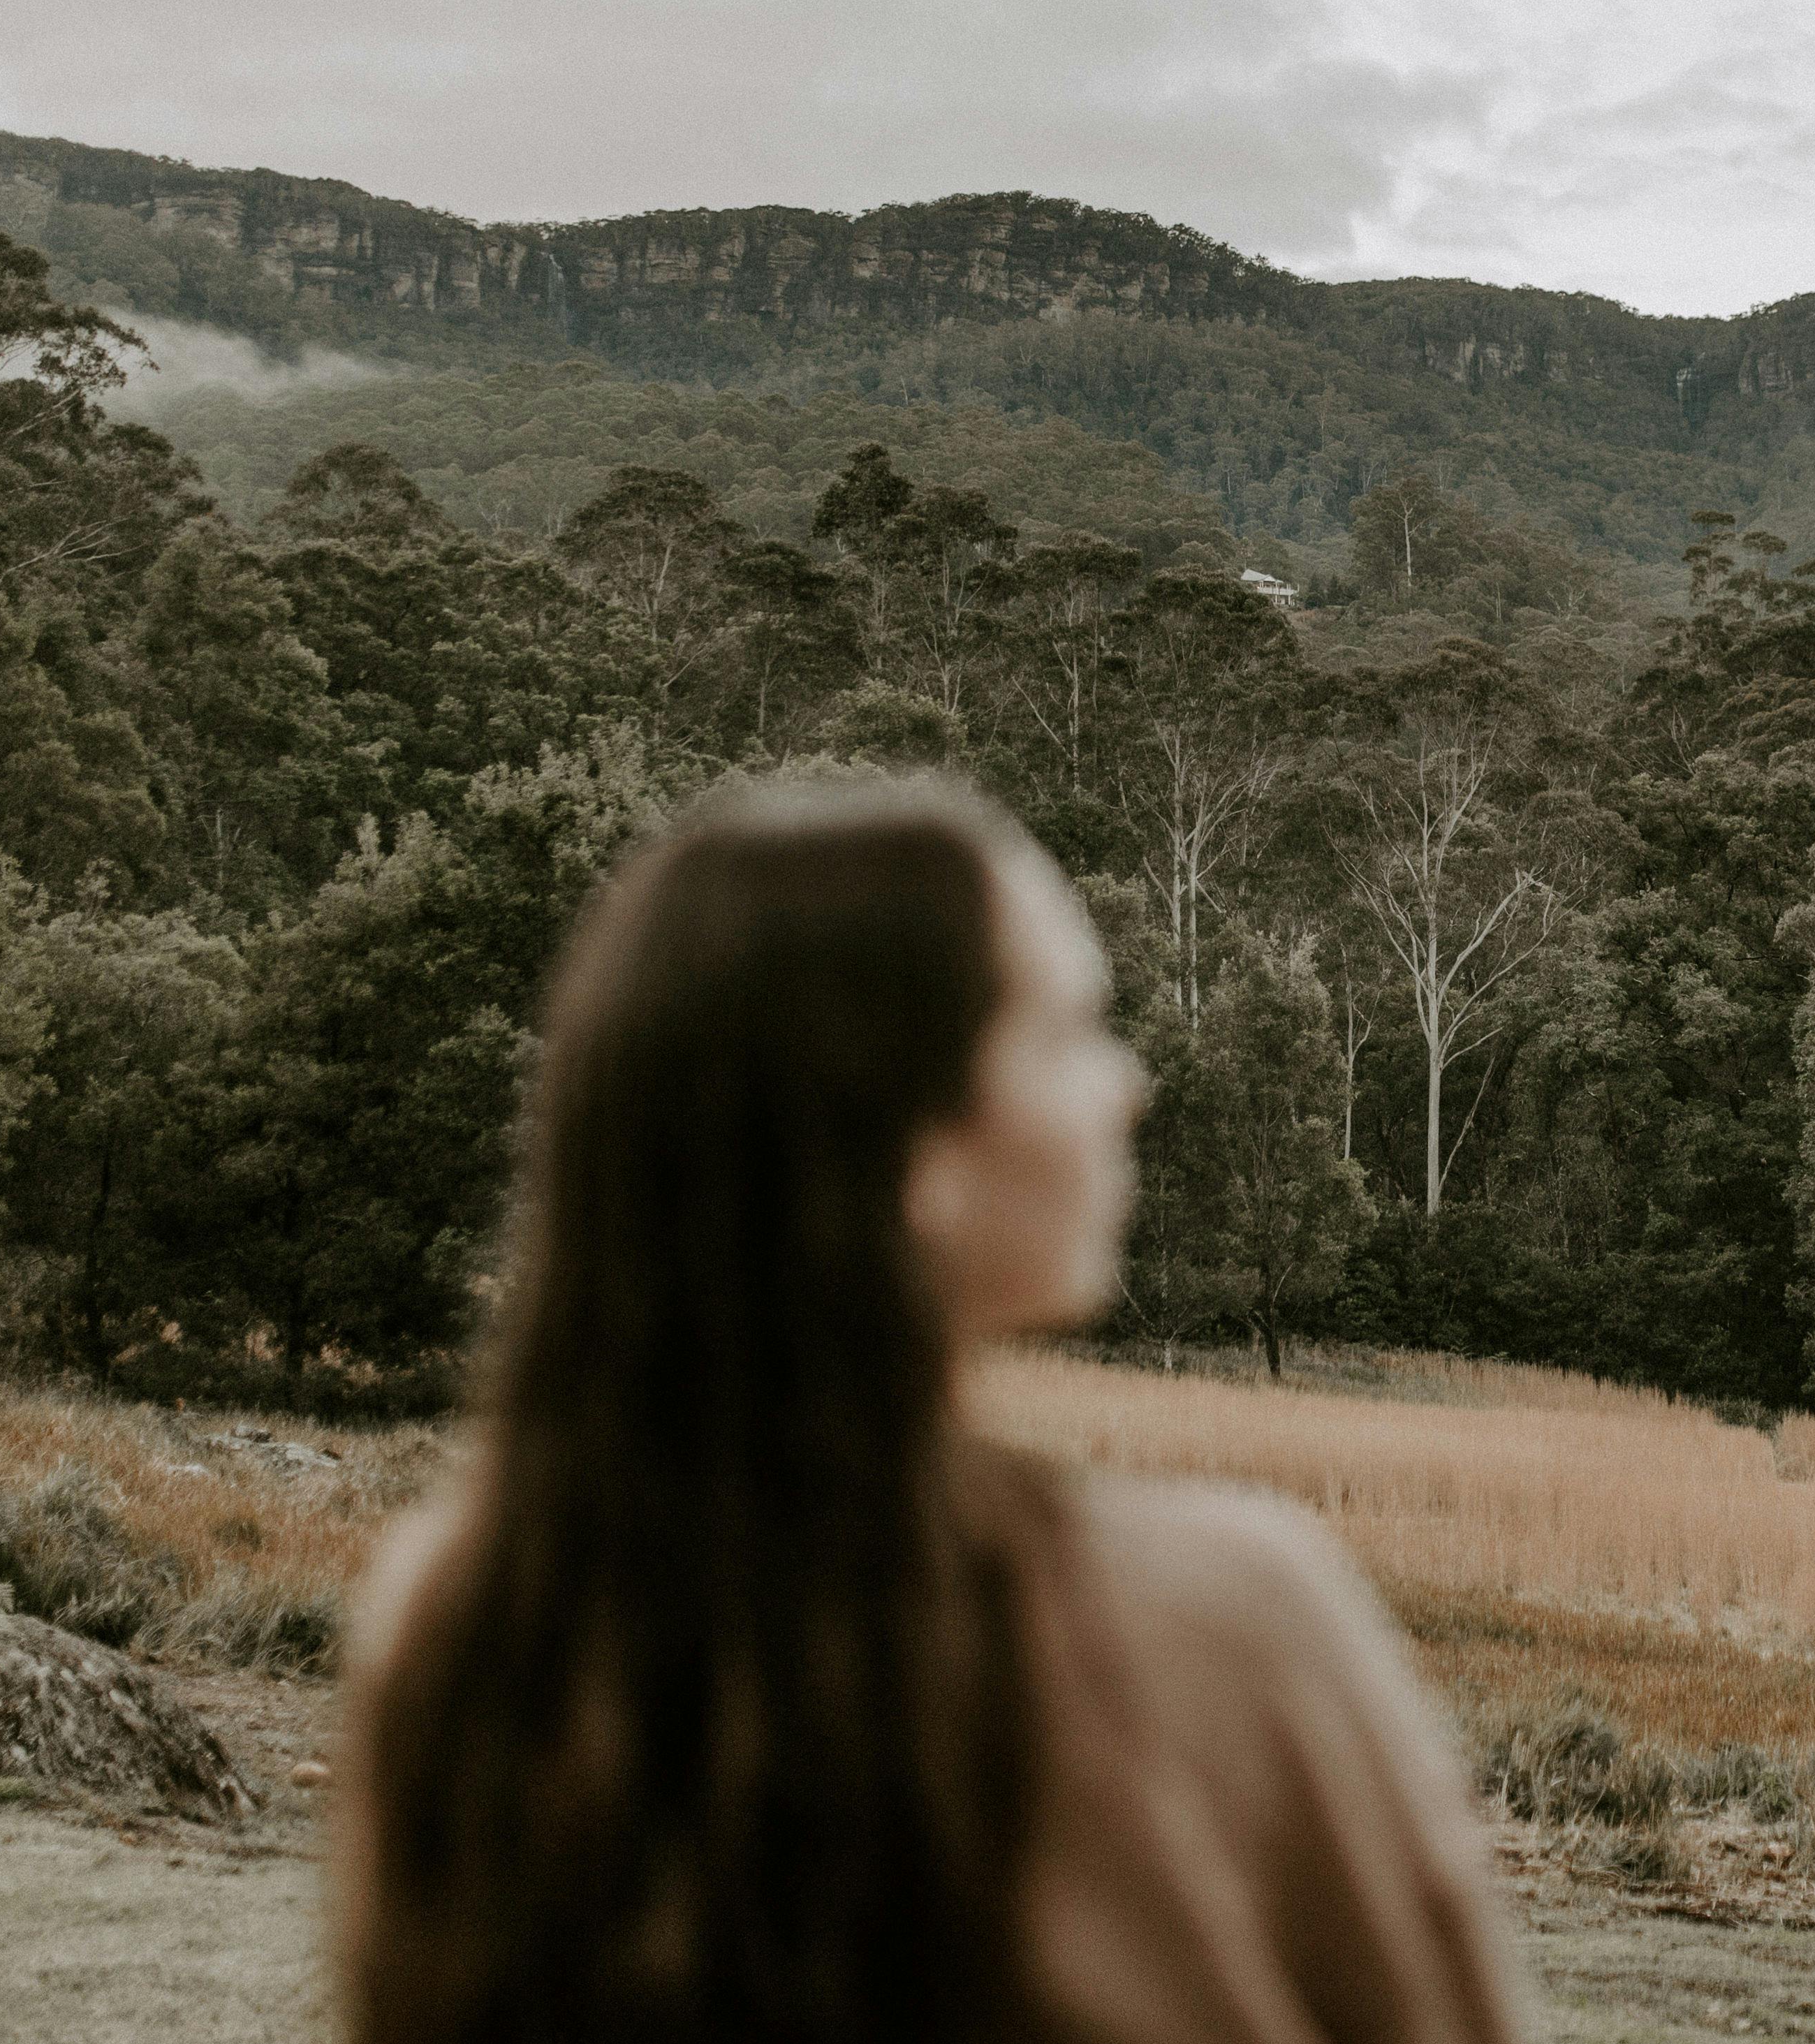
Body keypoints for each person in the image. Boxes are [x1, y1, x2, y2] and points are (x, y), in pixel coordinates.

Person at [333, 778, 1533, 2043]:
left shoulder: (466, 1626)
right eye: (1067, 1033)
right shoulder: (1225, 1623)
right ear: (911, 1153)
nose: (1126, 1087)